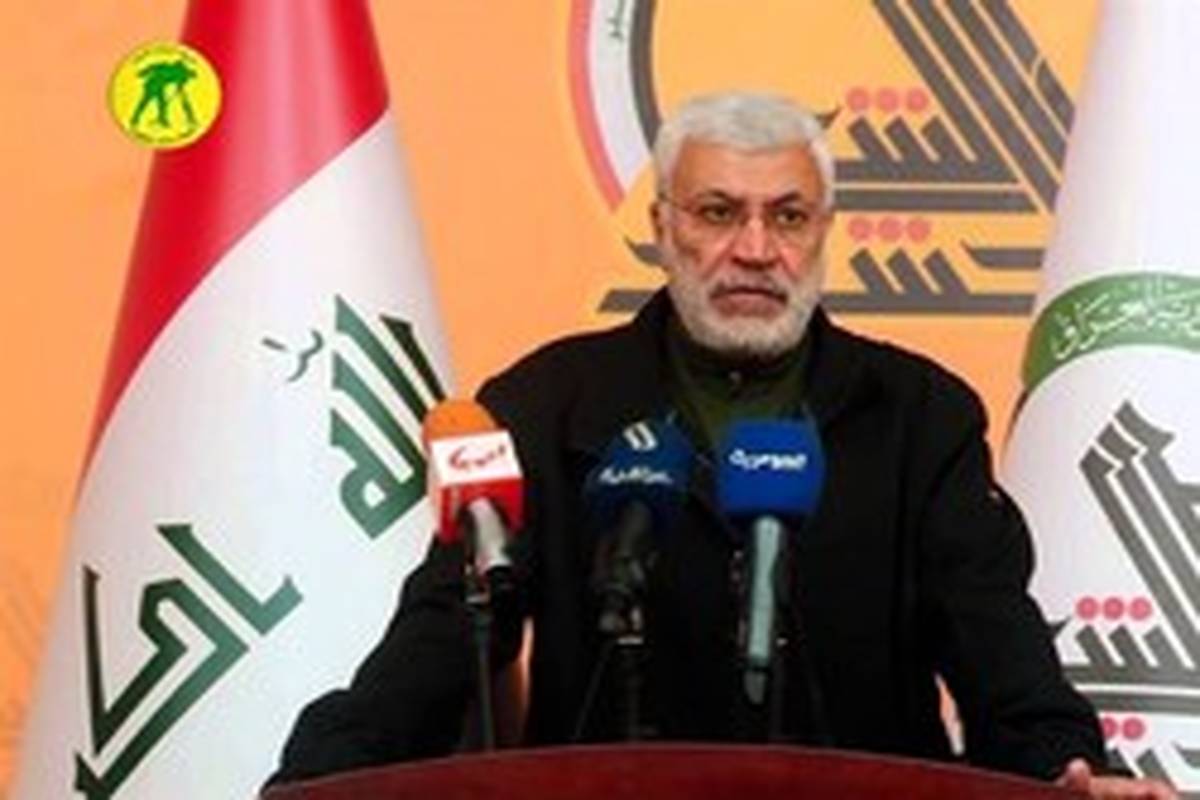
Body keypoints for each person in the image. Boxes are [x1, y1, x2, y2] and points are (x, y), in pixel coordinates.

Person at [268, 92, 1175, 798]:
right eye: (717, 212)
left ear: (824, 232)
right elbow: (446, 630)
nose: (754, 248)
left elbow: (992, 636)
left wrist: (1065, 763)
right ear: (662, 229)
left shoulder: (920, 414)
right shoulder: (543, 404)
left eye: (789, 217)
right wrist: (329, 767)